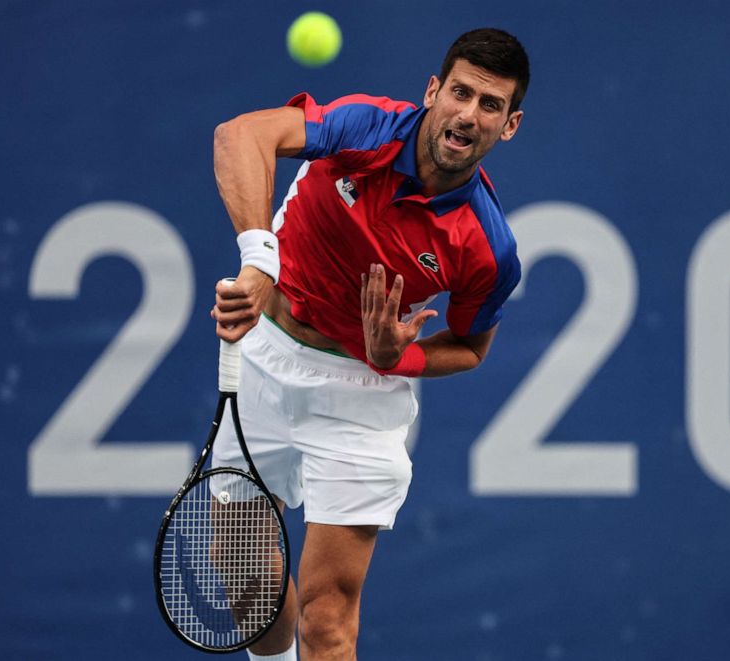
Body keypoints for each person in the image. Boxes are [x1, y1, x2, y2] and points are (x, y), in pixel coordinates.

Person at [210, 27, 530, 660]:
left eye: (489, 105)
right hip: (266, 357)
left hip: (359, 395)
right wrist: (258, 258)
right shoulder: (366, 128)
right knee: (245, 578)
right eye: (460, 93)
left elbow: (470, 347)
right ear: (433, 91)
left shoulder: (488, 249)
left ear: (509, 125)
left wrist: (398, 357)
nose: (468, 115)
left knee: (326, 619)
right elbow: (240, 134)